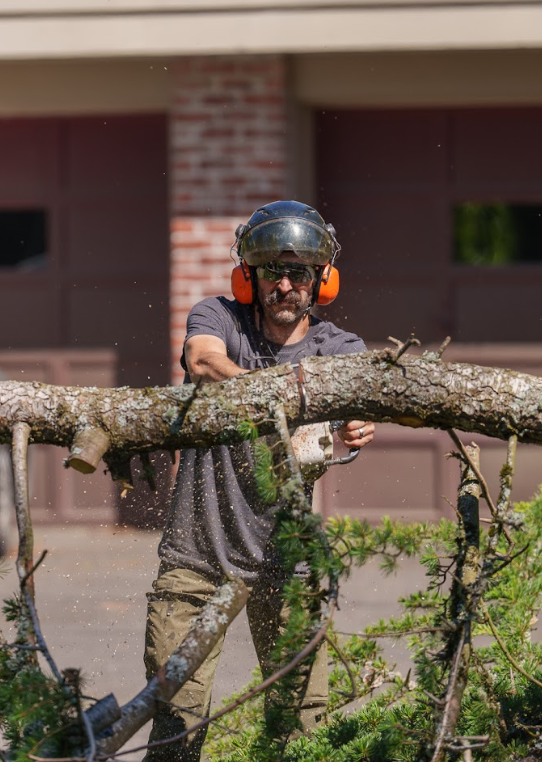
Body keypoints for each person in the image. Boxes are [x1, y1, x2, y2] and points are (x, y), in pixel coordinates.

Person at [143, 200, 375, 761]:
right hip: (198, 556)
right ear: (249, 277)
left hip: (289, 563)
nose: (286, 284)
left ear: (323, 278)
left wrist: (359, 418)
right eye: (273, 271)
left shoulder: (339, 349)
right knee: (177, 720)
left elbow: (362, 401)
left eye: (299, 272)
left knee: (302, 730)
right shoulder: (218, 317)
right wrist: (281, 396)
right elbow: (203, 362)